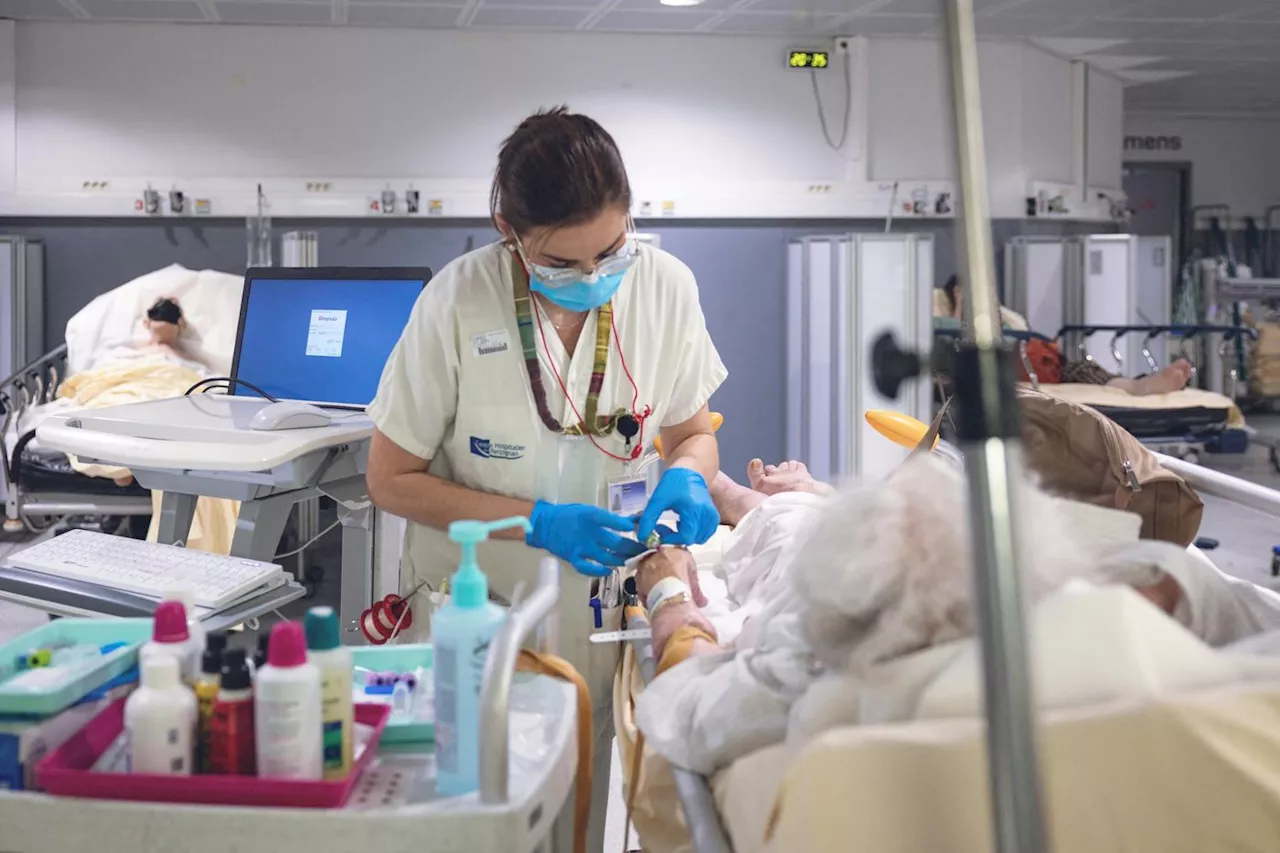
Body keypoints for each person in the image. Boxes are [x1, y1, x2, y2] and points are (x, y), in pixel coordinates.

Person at [364, 107, 726, 850]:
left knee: (577, 814)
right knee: (471, 815)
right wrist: (534, 519)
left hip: (596, 620)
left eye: (612, 249)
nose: (594, 276)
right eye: (562, 263)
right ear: (508, 229)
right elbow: (390, 479)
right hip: (477, 618)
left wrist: (690, 474)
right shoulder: (457, 302)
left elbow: (692, 432)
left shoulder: (666, 289)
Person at [629, 454, 1280, 776]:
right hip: (896, 549)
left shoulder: (818, 652)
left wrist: (667, 591)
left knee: (785, 523)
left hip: (835, 557)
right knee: (802, 514)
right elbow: (1190, 588)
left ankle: (763, 493)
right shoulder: (1147, 586)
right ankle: (790, 491)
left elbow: (686, 706)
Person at [941, 275, 1194, 395]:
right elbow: (959, 335)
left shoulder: (1008, 321)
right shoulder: (943, 323)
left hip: (1030, 359)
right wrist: (964, 302)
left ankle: (1139, 386)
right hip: (996, 364)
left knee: (1081, 369)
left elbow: (1005, 326)